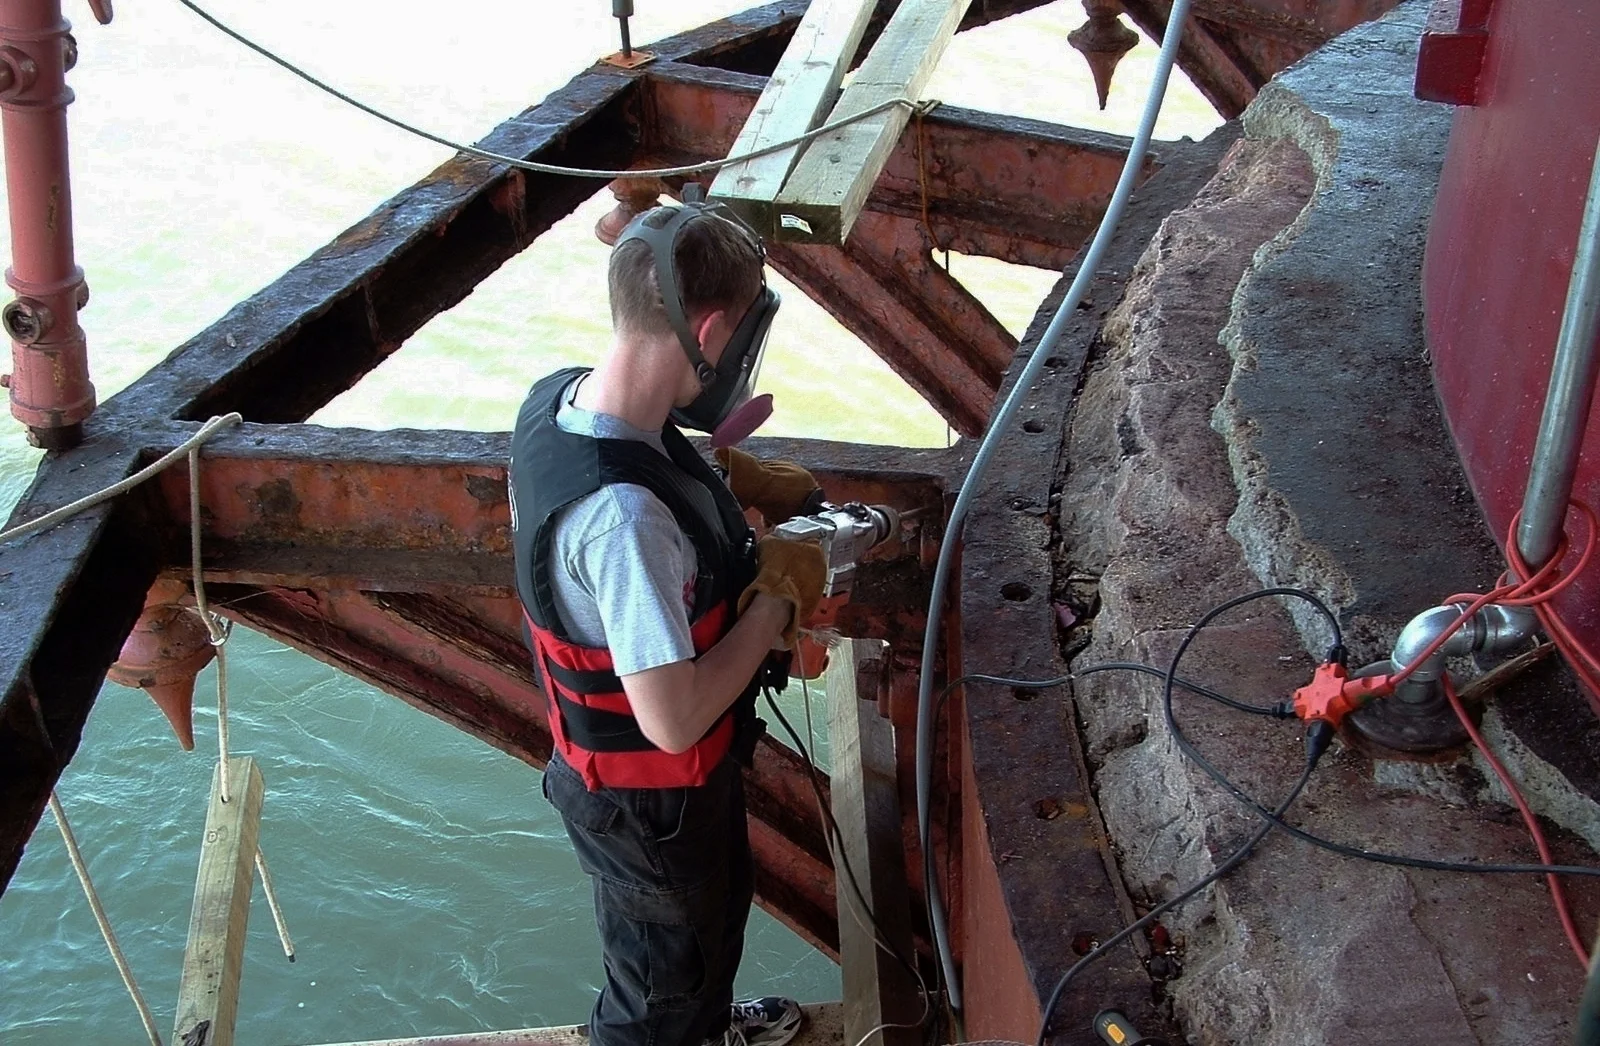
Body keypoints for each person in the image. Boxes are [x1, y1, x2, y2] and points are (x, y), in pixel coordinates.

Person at [508, 188, 828, 1046]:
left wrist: (727, 482)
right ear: (717, 331)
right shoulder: (624, 523)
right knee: (658, 1000)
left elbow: (639, 460)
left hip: (665, 798)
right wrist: (775, 602)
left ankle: (707, 1025)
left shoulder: (560, 400)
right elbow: (674, 717)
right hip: (647, 805)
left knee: (710, 932)